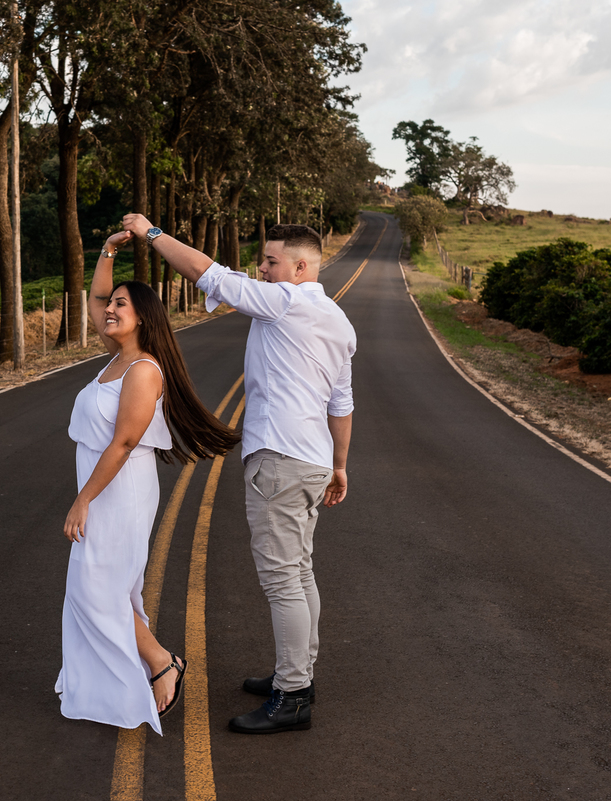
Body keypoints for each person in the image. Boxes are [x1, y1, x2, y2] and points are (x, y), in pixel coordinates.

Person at [121, 214, 356, 735]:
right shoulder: (337, 319)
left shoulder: (286, 302)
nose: (263, 270)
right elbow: (341, 402)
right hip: (313, 460)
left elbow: (209, 274)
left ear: (300, 267)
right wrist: (339, 464)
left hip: (279, 459)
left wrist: (152, 233)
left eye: (271, 262)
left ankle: (293, 694)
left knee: (282, 579)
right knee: (299, 572)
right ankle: (299, 675)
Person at [56, 230, 241, 734]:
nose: (110, 310)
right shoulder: (116, 356)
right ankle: (150, 665)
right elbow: (94, 298)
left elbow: (122, 443)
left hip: (120, 489)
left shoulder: (142, 370)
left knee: (99, 588)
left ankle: (162, 662)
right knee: (102, 587)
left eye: (122, 305)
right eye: (111, 304)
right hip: (104, 485)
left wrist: (82, 501)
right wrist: (108, 252)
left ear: (143, 318)